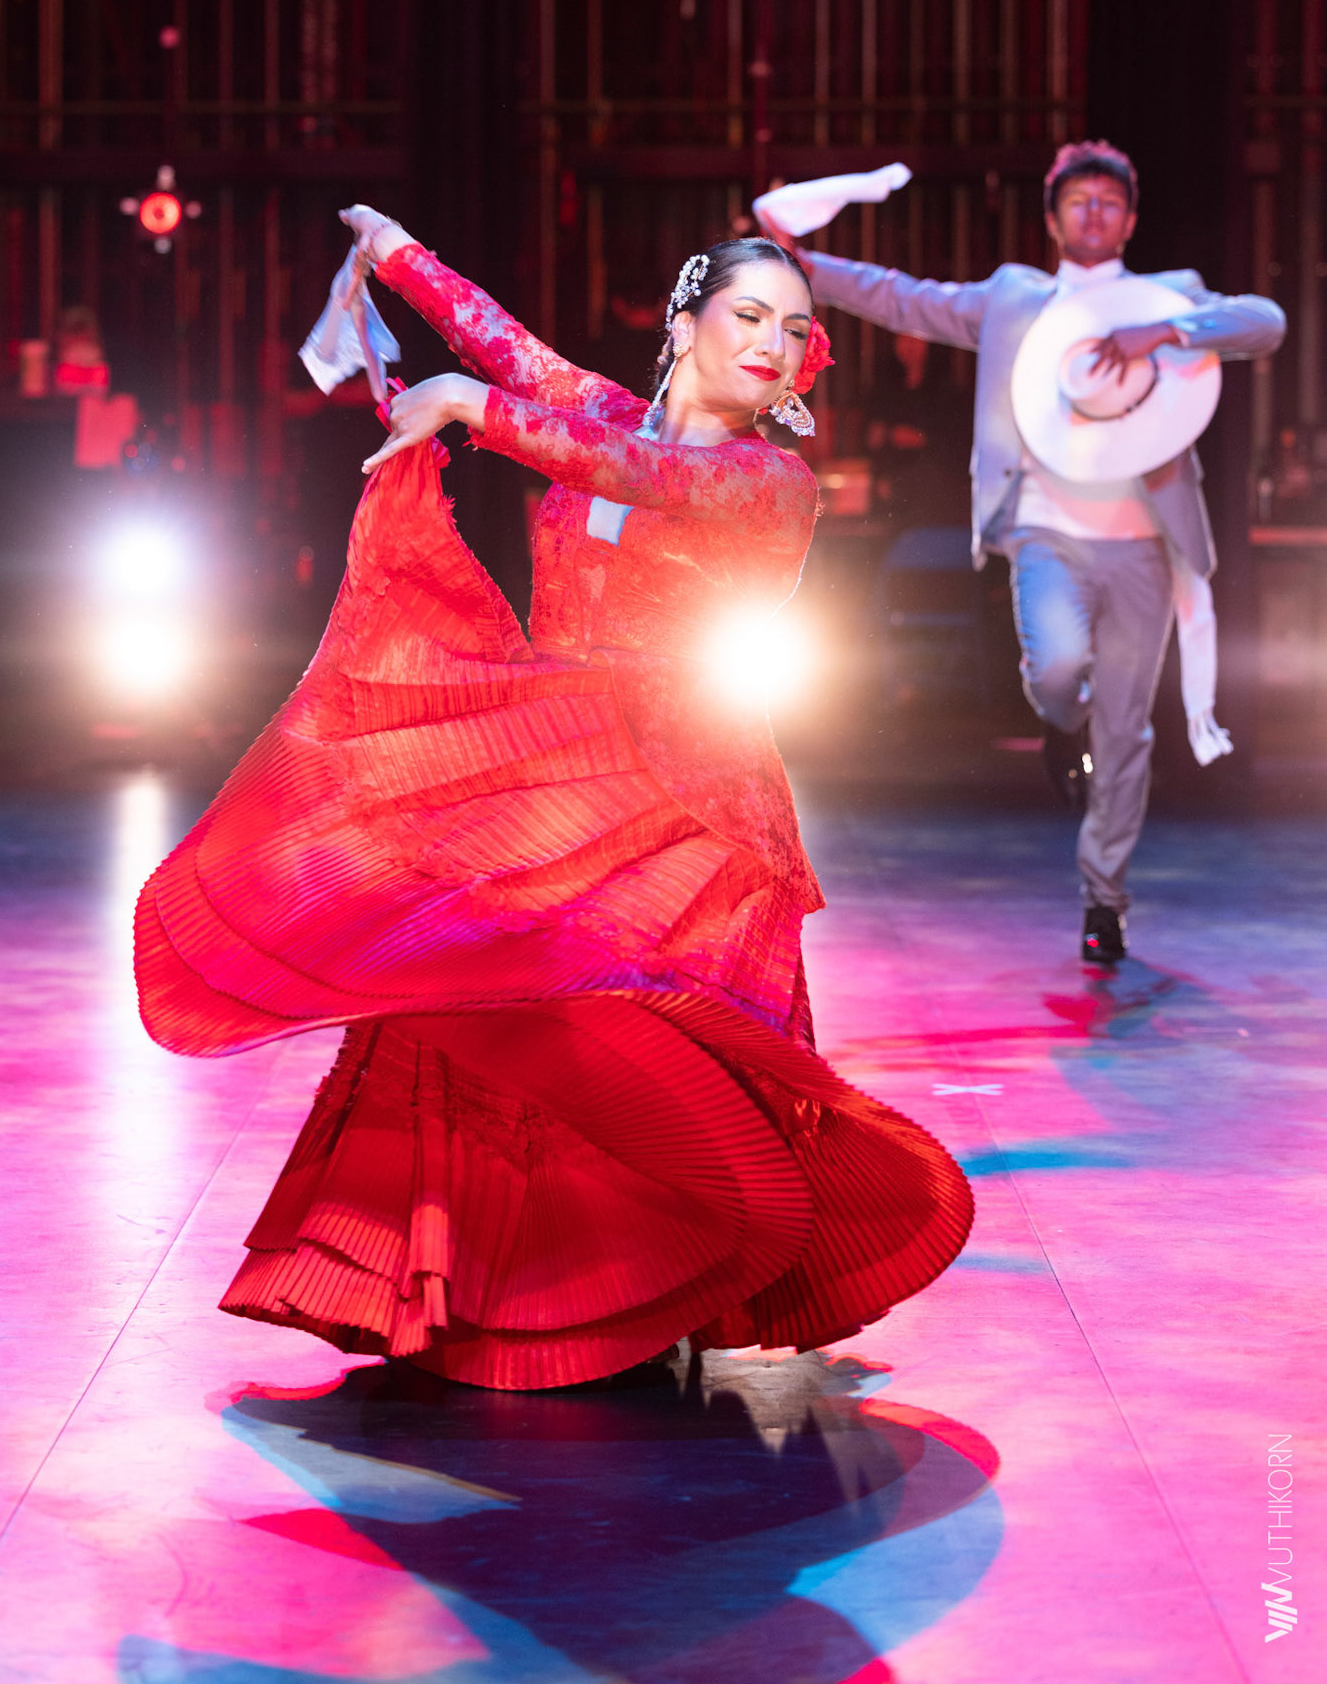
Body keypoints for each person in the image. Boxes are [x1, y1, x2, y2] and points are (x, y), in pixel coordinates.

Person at [136, 210, 972, 1390]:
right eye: (749, 315)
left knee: (642, 1059)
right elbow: (508, 348)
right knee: (503, 1024)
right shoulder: (604, 411)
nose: (773, 344)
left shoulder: (770, 480)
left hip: (689, 811)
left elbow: (629, 469)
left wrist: (469, 408)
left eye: (796, 331)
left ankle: (637, 1291)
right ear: (684, 323)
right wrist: (394, 252)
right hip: (557, 774)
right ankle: (498, 1288)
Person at [778, 142, 1285, 966]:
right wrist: (804, 269)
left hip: (1142, 545)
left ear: (1130, 218)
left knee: (1125, 729)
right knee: (1055, 672)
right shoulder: (1013, 297)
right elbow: (904, 299)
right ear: (1052, 219)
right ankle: (1059, 723)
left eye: (1108, 201)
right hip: (1044, 531)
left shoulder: (1168, 295)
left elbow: (1264, 322)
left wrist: (1168, 327)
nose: (1093, 213)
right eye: (1077, 201)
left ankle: (1103, 899)